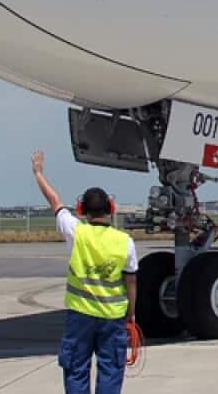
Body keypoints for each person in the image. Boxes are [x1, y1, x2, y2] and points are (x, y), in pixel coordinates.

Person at [32, 150, 138, 394]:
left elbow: (55, 201)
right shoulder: (125, 242)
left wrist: (38, 173)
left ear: (81, 209)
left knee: (76, 368)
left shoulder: (75, 231)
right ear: (110, 208)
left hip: (80, 315)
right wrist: (131, 313)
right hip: (113, 316)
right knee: (111, 368)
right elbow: (130, 280)